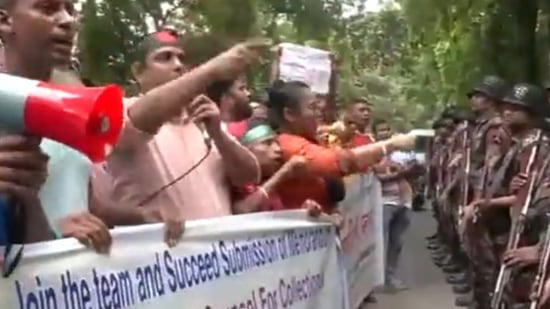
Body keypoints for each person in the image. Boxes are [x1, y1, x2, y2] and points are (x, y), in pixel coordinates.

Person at [96, 30, 266, 246]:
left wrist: (217, 134)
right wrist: (210, 71)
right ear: (138, 72)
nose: (177, 65)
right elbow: (140, 119)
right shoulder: (124, 110)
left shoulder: (203, 119)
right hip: (162, 264)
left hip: (219, 262)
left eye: (181, 59)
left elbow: (249, 177)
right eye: (165, 57)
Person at [0, 0, 112, 253]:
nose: (68, 20)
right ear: (5, 22)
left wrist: (147, 218)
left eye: (70, 10)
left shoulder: (78, 103)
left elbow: (82, 201)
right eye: (48, 9)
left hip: (62, 283)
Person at [265, 80, 416, 211]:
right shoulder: (289, 145)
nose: (319, 113)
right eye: (312, 108)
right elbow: (340, 162)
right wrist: (391, 145)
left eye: (319, 107)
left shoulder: (313, 140)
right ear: (289, 114)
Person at [372, 119, 416, 292]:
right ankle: (376, 280)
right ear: (375, 133)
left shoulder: (401, 153)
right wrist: (397, 173)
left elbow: (415, 170)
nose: (384, 132)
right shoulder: (372, 154)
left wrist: (406, 171)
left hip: (404, 201)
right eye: (381, 130)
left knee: (397, 242)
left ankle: (391, 277)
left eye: (387, 129)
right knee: (380, 242)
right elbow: (376, 177)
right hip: (383, 201)